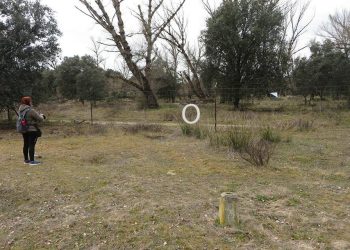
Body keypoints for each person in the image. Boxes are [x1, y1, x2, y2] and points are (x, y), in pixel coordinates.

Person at [18, 96, 46, 166]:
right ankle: (32, 161)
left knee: (26, 144)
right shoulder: (30, 110)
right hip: (32, 130)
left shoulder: (20, 110)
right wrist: (42, 115)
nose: (31, 102)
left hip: (24, 129)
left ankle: (26, 160)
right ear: (28, 102)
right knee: (31, 145)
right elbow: (40, 119)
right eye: (30, 101)